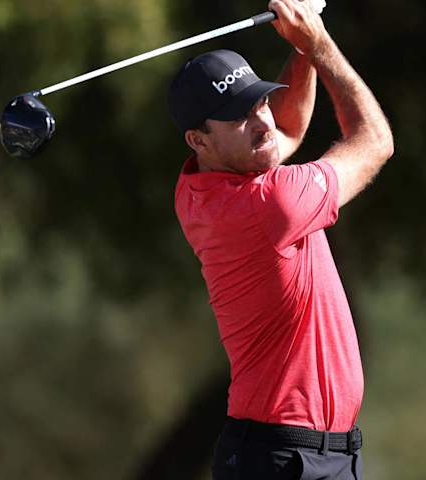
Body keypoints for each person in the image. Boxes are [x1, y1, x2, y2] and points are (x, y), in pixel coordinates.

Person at [168, 0, 393, 478]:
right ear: (198, 140)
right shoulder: (268, 206)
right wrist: (319, 44)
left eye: (260, 102)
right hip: (282, 459)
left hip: (295, 454)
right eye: (238, 117)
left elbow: (283, 131)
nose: (263, 122)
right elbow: (375, 142)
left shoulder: (197, 190)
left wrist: (300, 44)